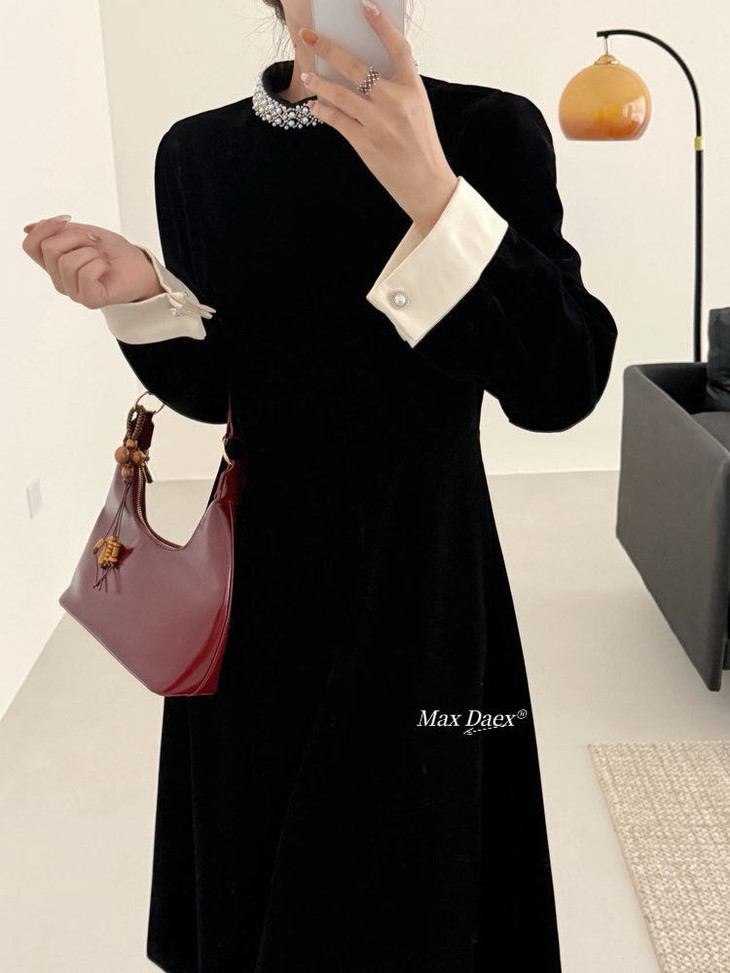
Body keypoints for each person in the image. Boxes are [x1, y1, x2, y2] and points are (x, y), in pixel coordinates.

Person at [22, 1, 618, 970]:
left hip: (424, 577)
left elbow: (562, 385)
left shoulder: (485, 131)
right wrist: (141, 295)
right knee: (259, 882)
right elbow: (223, 387)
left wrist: (434, 193)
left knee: (420, 882)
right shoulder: (198, 155)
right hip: (256, 587)